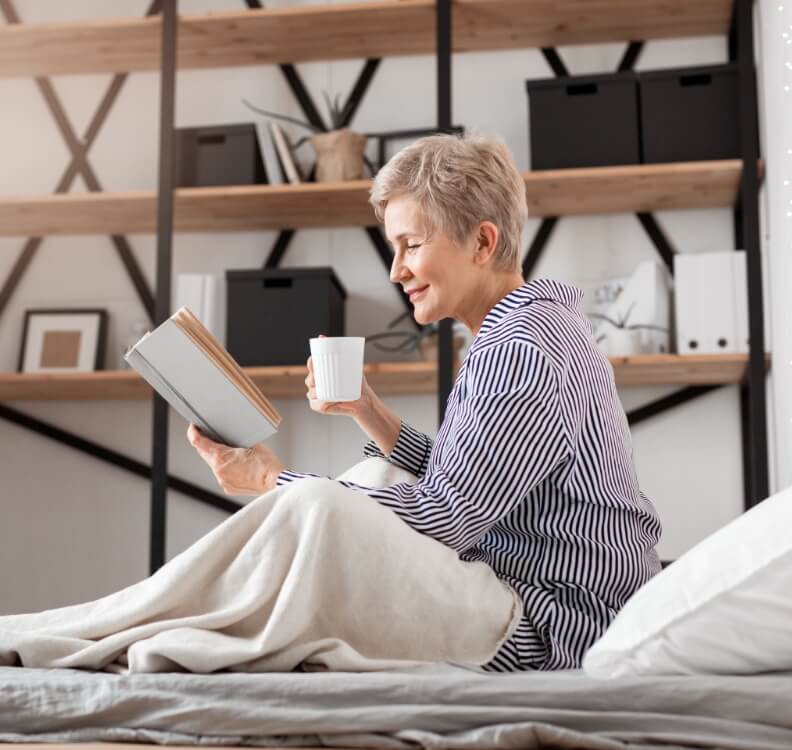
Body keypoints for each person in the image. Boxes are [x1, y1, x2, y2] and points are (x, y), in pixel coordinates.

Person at [188, 132, 662, 671]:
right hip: (572, 608)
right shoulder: (539, 327)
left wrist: (271, 480)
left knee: (328, 518)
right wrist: (369, 410)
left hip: (554, 627)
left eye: (410, 245)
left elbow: (443, 517)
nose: (396, 271)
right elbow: (467, 481)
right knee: (364, 489)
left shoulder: (518, 350)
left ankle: (185, 631)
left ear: (482, 244)